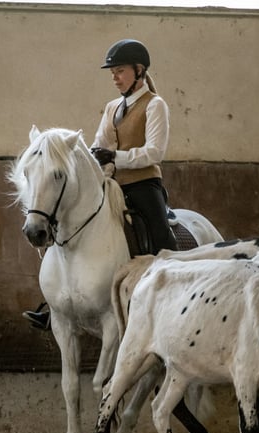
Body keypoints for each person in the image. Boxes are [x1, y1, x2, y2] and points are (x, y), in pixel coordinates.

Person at [24, 39, 176, 331]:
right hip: (109, 183)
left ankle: (172, 291)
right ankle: (56, 304)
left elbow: (155, 152)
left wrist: (116, 157)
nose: (115, 77)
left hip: (143, 184)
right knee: (66, 224)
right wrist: (97, 160)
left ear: (139, 70)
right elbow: (98, 145)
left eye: (120, 71)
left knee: (160, 236)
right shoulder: (111, 108)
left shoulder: (155, 105)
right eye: (113, 73)